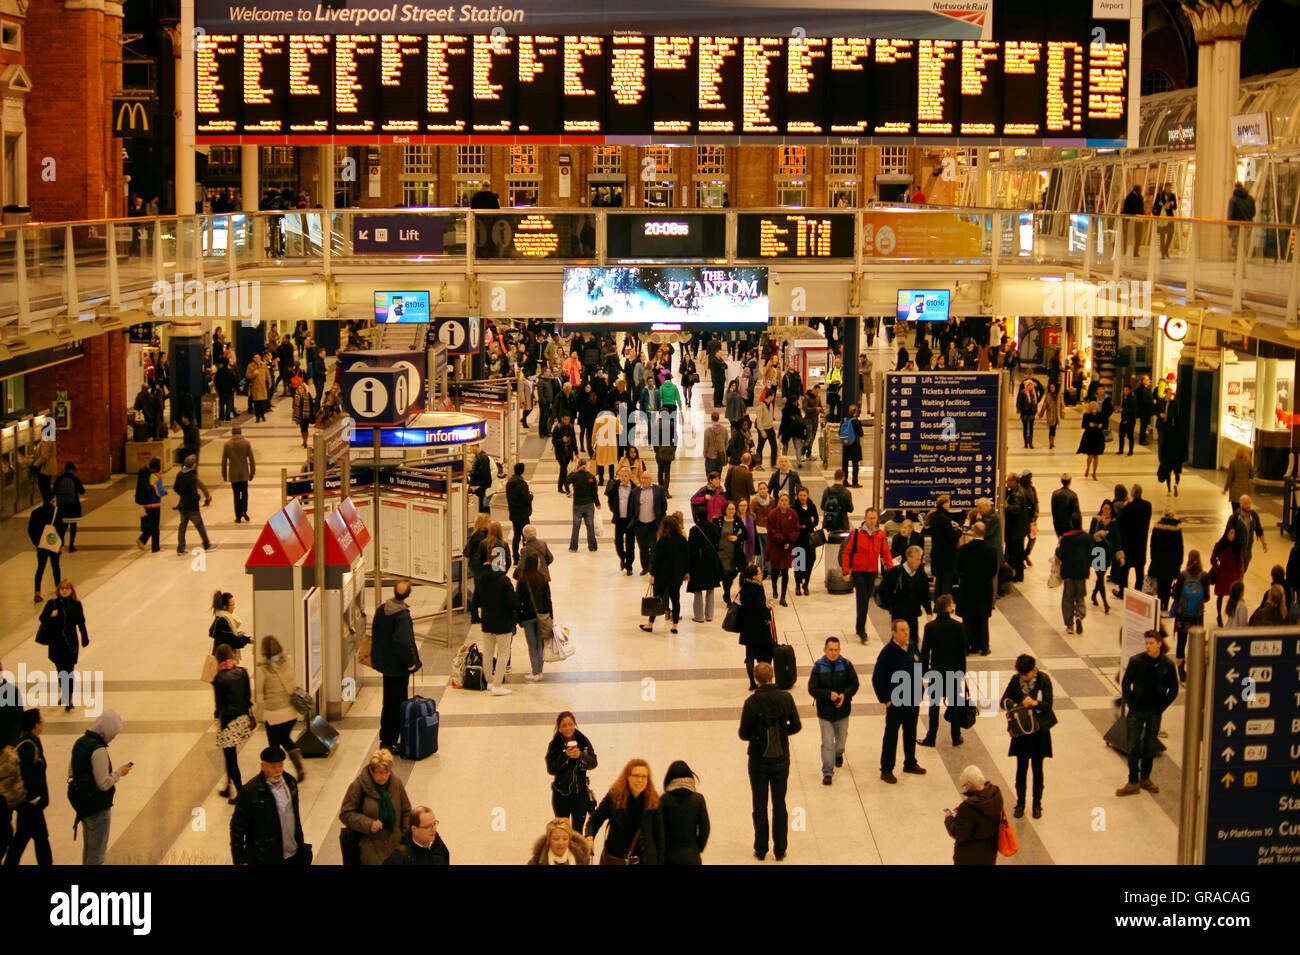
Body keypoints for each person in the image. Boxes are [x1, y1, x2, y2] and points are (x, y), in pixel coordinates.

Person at [738, 661, 801, 861]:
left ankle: (761, 848)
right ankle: (780, 848)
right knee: (779, 803)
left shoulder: (751, 703)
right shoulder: (786, 697)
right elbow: (797, 726)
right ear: (773, 676)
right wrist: (782, 733)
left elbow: (743, 733)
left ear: (756, 679)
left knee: (759, 804)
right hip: (781, 759)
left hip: (758, 760)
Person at [1116, 631, 1179, 796]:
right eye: (1146, 643)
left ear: (1159, 644)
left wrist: (1161, 707)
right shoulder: (1136, 661)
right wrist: (1131, 703)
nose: (1148, 646)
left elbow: (1174, 689)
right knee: (1132, 746)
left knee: (1150, 746)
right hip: (1137, 711)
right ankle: (1132, 781)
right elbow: (1126, 683)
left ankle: (1145, 778)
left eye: (1151, 643)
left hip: (1154, 712)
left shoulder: (1167, 665)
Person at [67, 710, 131, 865]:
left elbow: (71, 771)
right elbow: (103, 784)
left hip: (82, 805)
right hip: (97, 807)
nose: (114, 737)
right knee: (97, 853)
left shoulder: (80, 742)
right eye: (113, 733)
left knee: (89, 849)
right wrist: (119, 773)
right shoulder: (99, 750)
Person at [230, 745, 311, 865]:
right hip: (265, 858)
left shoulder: (290, 783)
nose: (278, 771)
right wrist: (240, 860)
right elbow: (237, 828)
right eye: (273, 767)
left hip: (293, 854)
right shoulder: (250, 792)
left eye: (280, 766)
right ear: (263, 767)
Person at [1000, 655, 1056, 819]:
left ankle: (1037, 804)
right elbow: (1004, 700)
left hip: (1039, 731)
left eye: (1026, 674)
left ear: (1033, 669)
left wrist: (1035, 703)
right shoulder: (1015, 680)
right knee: (1021, 768)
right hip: (1022, 731)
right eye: (1021, 674)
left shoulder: (1043, 680)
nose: (1024, 677)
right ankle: (1020, 803)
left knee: (1038, 768)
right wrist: (1017, 705)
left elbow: (1048, 705)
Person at [873, 619, 926, 784]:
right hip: (895, 702)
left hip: (913, 700)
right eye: (902, 630)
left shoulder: (912, 647)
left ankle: (910, 762)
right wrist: (886, 700)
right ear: (894, 633)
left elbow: (920, 667)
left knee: (911, 732)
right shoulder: (887, 653)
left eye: (908, 629)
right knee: (891, 735)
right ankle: (886, 769)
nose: (906, 633)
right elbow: (877, 679)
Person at [339, 748, 412, 865]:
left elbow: (406, 811)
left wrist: (405, 836)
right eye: (378, 772)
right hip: (370, 847)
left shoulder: (396, 783)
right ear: (371, 770)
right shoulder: (358, 786)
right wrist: (368, 824)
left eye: (386, 772)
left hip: (395, 843)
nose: (382, 776)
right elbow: (346, 814)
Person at [586, 759, 665, 865]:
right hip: (615, 859)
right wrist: (590, 837)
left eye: (643, 776)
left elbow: (660, 838)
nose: (640, 780)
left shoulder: (653, 801)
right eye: (636, 776)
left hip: (645, 861)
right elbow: (595, 819)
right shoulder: (614, 796)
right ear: (628, 777)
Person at [371, 580, 421, 747]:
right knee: (397, 703)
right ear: (408, 595)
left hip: (385, 664)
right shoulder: (402, 616)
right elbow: (403, 643)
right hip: (398, 667)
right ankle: (391, 740)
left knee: (388, 702)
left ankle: (385, 737)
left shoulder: (382, 609)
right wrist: (410, 663)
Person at [808, 637, 859, 785]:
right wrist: (827, 695)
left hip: (843, 711)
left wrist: (845, 695)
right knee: (827, 742)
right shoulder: (818, 667)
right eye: (830, 649)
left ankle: (839, 753)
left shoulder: (846, 665)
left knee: (841, 739)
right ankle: (828, 772)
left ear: (840, 650)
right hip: (825, 713)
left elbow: (854, 683)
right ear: (825, 650)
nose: (833, 652)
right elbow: (812, 688)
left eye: (836, 649)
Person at [4, 709, 50, 865]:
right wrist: (34, 798)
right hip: (30, 803)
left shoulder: (30, 740)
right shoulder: (28, 745)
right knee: (34, 838)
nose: (42, 724)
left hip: (30, 803)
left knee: (28, 837)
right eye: (41, 721)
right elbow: (28, 775)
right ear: (35, 725)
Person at [920, 594, 968, 747]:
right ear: (948, 607)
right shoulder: (958, 626)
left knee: (934, 706)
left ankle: (931, 737)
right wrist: (962, 672)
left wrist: (924, 671)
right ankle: (956, 736)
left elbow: (925, 652)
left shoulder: (930, 627)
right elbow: (962, 653)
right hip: (953, 671)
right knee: (954, 706)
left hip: (936, 670)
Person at [258, 635, 306, 780]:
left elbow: (260, 689)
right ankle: (299, 766)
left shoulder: (263, 669)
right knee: (285, 738)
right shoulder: (289, 660)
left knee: (274, 745)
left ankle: (276, 772)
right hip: (290, 711)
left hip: (273, 713)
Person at [213, 643, 255, 804]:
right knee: (230, 757)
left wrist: (218, 715)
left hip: (229, 721)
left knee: (230, 759)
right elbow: (247, 697)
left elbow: (219, 705)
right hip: (243, 718)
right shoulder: (242, 672)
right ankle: (228, 786)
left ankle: (240, 791)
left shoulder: (219, 678)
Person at [40, 579, 88, 712]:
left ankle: (69, 697)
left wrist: (85, 637)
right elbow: (42, 619)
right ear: (58, 590)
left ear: (72, 590)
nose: (64, 590)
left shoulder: (76, 605)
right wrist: (51, 616)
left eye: (67, 588)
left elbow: (81, 622)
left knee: (69, 670)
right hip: (56, 643)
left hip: (71, 643)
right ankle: (65, 692)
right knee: (61, 671)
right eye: (62, 588)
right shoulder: (52, 604)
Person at [546, 712, 598, 832]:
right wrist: (564, 756)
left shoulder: (583, 741)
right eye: (564, 725)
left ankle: (576, 851)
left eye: (570, 724)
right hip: (561, 794)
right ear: (559, 728)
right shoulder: (555, 745)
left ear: (575, 724)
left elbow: (593, 763)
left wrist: (581, 755)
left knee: (577, 832)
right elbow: (551, 769)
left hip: (581, 793)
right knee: (562, 830)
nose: (568, 728)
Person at [944, 764, 1004, 867]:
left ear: (970, 784)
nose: (965, 788)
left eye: (965, 785)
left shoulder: (968, 807)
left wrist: (949, 818)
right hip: (989, 852)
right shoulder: (995, 794)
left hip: (969, 856)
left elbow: (959, 834)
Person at [642, 514, 689, 634]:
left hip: (662, 575)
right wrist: (686, 572)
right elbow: (686, 558)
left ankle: (650, 624)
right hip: (676, 575)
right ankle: (674, 625)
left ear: (665, 527)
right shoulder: (682, 539)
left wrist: (653, 574)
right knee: (676, 599)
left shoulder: (663, 540)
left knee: (657, 599)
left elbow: (657, 559)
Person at [478, 561, 519, 695]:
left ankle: (489, 681)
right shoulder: (504, 581)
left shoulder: (481, 580)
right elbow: (513, 602)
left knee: (488, 652)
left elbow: (476, 601)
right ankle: (497, 685)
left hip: (487, 622)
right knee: (503, 653)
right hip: (503, 622)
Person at [881, 545, 931, 651]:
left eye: (920, 559)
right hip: (898, 614)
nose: (920, 562)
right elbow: (883, 591)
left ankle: (916, 668)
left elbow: (925, 594)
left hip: (913, 614)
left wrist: (929, 612)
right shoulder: (895, 572)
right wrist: (891, 605)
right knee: (897, 641)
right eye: (917, 559)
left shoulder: (921, 575)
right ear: (909, 558)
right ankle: (895, 666)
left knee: (913, 643)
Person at [660, 761, 710, 865]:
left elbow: (659, 830)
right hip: (692, 856)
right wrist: (698, 848)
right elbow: (705, 828)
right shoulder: (698, 799)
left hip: (669, 856)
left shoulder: (664, 800)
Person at [687, 506, 725, 623]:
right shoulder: (713, 527)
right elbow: (718, 542)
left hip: (698, 562)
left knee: (698, 590)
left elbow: (690, 548)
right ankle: (709, 615)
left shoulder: (694, 529)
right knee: (710, 588)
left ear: (697, 516)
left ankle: (699, 616)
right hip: (712, 560)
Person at [1057, 512, 1092, 635]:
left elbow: (1060, 554)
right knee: (1080, 597)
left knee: (1068, 599)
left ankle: (1069, 625)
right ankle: (1079, 615)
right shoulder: (1087, 538)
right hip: (1081, 573)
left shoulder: (1066, 539)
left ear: (1071, 523)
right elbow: (1091, 553)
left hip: (1068, 573)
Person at [764, 491, 801, 606]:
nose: (784, 502)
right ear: (778, 501)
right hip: (776, 546)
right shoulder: (772, 514)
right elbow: (771, 530)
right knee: (775, 570)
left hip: (787, 547)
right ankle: (774, 587)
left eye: (786, 500)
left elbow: (796, 529)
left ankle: (783, 597)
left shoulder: (793, 514)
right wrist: (782, 540)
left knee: (785, 571)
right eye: (782, 500)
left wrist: (789, 541)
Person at [1116, 484, 1153, 597]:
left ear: (1132, 494)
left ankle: (1123, 591)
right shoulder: (1147, 506)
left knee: (1124, 569)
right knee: (1139, 570)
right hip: (1141, 542)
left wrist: (1125, 507)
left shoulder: (1128, 507)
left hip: (1128, 542)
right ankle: (1138, 592)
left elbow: (1121, 522)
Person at [173, 454, 214, 554]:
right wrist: (198, 497)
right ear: (193, 465)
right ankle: (207, 544)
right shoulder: (192, 477)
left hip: (183, 505)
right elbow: (193, 492)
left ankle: (180, 548)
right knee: (199, 525)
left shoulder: (180, 474)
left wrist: (182, 494)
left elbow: (175, 488)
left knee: (182, 527)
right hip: (192, 507)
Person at [27, 496, 65, 604]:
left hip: (41, 546)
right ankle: (59, 590)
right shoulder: (56, 511)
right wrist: (61, 544)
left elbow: (30, 530)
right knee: (55, 567)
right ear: (52, 500)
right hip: (53, 545)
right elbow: (61, 529)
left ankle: (37, 593)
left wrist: (37, 543)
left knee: (40, 568)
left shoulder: (35, 512)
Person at [629, 470, 667, 575]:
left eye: (646, 478)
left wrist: (660, 519)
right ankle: (645, 567)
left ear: (650, 479)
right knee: (643, 547)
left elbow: (664, 506)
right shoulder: (635, 491)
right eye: (642, 478)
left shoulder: (658, 490)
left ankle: (652, 567)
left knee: (654, 546)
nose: (644, 480)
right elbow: (632, 507)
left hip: (653, 524)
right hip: (640, 525)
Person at [1148, 504, 1185, 607]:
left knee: (1160, 585)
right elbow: (1179, 547)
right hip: (1172, 563)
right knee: (1168, 585)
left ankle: (1159, 605)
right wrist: (1179, 561)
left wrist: (1153, 558)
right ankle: (1165, 605)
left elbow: (1152, 544)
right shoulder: (1177, 529)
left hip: (1159, 561)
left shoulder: (1157, 527)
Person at [219, 426, 256, 524]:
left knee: (236, 495)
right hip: (244, 473)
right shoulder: (246, 443)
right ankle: (244, 510)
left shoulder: (227, 444)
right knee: (244, 493)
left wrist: (224, 474)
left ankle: (238, 516)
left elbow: (223, 461)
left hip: (233, 474)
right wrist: (252, 472)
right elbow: (251, 460)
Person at [1089, 501, 1121, 614]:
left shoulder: (1114, 523)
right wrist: (1098, 535)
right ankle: (1105, 603)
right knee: (1101, 577)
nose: (1106, 511)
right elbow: (1090, 536)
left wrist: (1119, 554)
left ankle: (1093, 594)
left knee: (1100, 578)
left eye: (1108, 509)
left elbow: (1117, 539)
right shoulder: (1096, 520)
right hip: (1098, 552)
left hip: (1108, 554)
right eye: (1104, 508)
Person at [928, 494, 962, 598]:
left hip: (936, 552)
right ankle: (945, 604)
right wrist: (959, 532)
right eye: (948, 502)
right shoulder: (945, 518)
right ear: (944, 504)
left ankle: (937, 603)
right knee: (947, 579)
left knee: (938, 579)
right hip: (947, 554)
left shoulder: (933, 516)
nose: (950, 504)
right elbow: (951, 537)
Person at [1211, 526, 1245, 626]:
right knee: (1220, 596)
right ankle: (1219, 616)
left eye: (1234, 533)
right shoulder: (1220, 545)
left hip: (1233, 575)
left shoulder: (1237, 547)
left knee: (1233, 597)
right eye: (1231, 533)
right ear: (1226, 533)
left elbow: (1239, 562)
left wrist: (1238, 576)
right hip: (1223, 575)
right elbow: (1213, 559)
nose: (1233, 535)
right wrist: (1217, 568)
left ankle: (1232, 614)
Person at [791, 486, 820, 597]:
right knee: (798, 563)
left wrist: (806, 523)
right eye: (800, 495)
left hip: (809, 539)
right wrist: (809, 520)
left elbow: (816, 520)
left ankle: (806, 583)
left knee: (811, 560)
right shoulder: (794, 507)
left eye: (804, 495)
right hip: (798, 539)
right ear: (797, 496)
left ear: (807, 495)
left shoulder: (811, 505)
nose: (802, 497)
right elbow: (796, 521)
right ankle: (798, 585)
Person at [568, 456, 600, 553]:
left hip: (577, 504)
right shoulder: (591, 477)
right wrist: (597, 503)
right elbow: (595, 491)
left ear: (578, 466)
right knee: (590, 526)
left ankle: (573, 547)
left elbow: (566, 481)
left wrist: (568, 491)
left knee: (576, 526)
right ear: (586, 465)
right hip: (589, 504)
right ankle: (593, 547)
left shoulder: (575, 476)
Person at [1227, 495, 1267, 574]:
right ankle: (1239, 584)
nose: (1248, 505)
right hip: (1238, 549)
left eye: (1249, 503)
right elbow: (1229, 529)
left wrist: (1264, 543)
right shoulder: (1235, 516)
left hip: (1248, 548)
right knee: (1240, 570)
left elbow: (1259, 529)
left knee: (1244, 568)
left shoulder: (1253, 515)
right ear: (1241, 504)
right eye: (1246, 503)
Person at [51, 463, 85, 551]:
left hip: (62, 507)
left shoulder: (59, 479)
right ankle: (71, 546)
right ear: (73, 470)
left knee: (63, 527)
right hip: (73, 507)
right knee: (73, 526)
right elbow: (82, 491)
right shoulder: (75, 479)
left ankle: (61, 544)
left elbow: (53, 491)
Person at [505, 462, 533, 563]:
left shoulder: (509, 483)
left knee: (516, 535)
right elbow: (526, 498)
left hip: (514, 513)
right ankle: (527, 555)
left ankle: (515, 557)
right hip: (523, 513)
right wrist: (531, 496)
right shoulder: (522, 484)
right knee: (526, 535)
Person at [1077, 400, 1105, 479]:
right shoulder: (1086, 415)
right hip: (1090, 436)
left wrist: (1101, 425)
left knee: (1096, 455)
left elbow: (1104, 424)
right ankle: (1088, 467)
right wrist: (1089, 424)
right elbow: (1083, 425)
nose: (1094, 410)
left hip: (1098, 436)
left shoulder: (1100, 415)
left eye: (1095, 409)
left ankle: (1094, 472)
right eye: (1092, 409)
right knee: (1090, 454)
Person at [1227, 180, 1255, 254]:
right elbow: (1253, 213)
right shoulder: (1251, 199)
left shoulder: (1233, 199)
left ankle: (1237, 262)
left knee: (1235, 246)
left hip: (1235, 226)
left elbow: (1230, 214)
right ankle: (1243, 261)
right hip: (1248, 225)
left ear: (1235, 188)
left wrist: (1229, 227)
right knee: (1244, 244)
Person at [31, 436, 58, 504]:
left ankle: (48, 502)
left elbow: (44, 456)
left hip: (45, 467)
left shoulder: (45, 442)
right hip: (48, 467)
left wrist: (35, 465)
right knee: (46, 485)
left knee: (43, 485)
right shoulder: (50, 441)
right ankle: (49, 501)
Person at [1016, 379, 1039, 448]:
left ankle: (1030, 443)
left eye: (1031, 385)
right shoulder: (1023, 392)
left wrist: (1035, 411)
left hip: (1031, 413)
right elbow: (1020, 402)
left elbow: (1035, 403)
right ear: (1026, 386)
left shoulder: (1034, 393)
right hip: (1024, 413)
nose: (1030, 386)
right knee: (1025, 428)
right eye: (1028, 385)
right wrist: (1019, 410)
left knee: (1031, 428)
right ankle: (1026, 443)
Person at [1117, 384, 1137, 455]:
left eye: (1127, 390)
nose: (1125, 391)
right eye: (1124, 390)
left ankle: (1131, 450)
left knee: (1130, 435)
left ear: (1130, 390)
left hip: (1130, 420)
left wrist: (1123, 410)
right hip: (1123, 419)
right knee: (1121, 435)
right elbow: (1123, 406)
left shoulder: (1133, 398)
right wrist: (1120, 409)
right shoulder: (1124, 397)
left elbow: (1133, 410)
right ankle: (1120, 450)